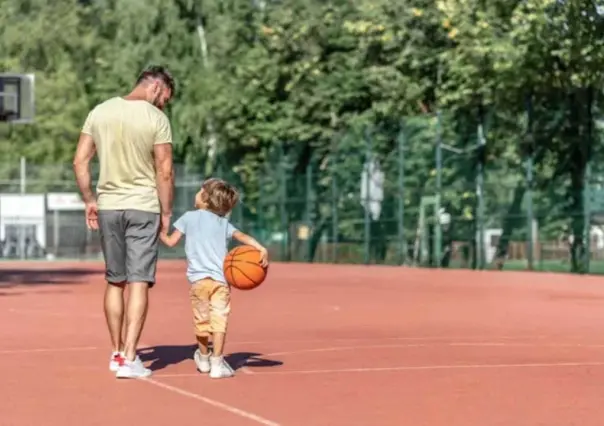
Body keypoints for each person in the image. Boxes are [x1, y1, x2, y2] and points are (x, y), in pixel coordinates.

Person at [72, 65, 176, 379]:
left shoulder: (99, 111)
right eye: (165, 98)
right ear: (156, 86)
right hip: (143, 206)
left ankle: (117, 353)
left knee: (115, 280)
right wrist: (167, 212)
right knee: (139, 281)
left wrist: (90, 199)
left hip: (108, 206)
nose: (163, 105)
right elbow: (165, 170)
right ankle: (131, 357)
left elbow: (80, 160)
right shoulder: (156, 119)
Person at [160, 178, 268, 379]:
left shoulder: (188, 218)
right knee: (220, 321)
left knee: (201, 321)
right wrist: (260, 247)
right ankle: (217, 363)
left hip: (199, 281)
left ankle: (203, 357)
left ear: (205, 198)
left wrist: (158, 229)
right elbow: (243, 237)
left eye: (199, 191)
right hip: (221, 282)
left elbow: (170, 241)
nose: (196, 194)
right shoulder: (223, 223)